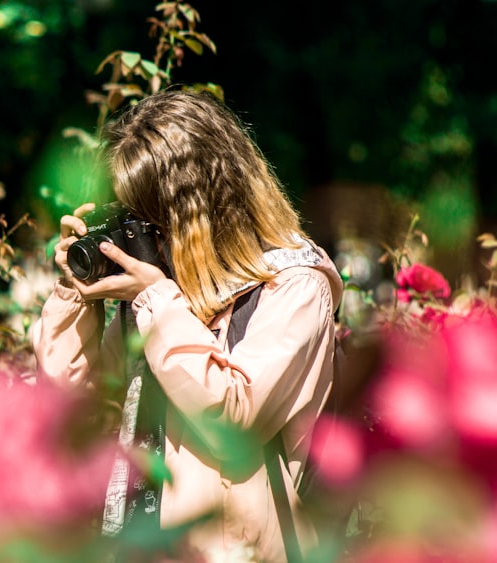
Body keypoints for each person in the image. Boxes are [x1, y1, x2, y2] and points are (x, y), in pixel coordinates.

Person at [30, 88, 343, 563]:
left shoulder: (294, 284)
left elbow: (235, 418)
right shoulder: (162, 289)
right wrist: (76, 291)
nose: (139, 232)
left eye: (147, 217)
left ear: (198, 208)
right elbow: (76, 399)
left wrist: (156, 298)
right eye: (125, 215)